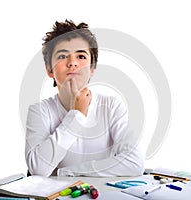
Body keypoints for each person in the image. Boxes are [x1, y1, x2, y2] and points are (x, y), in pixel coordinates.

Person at [25, 19, 145, 177]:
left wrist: (67, 172)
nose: (72, 63)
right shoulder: (39, 111)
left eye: (81, 56)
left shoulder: (111, 106)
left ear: (92, 68)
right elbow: (38, 170)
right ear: (49, 70)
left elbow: (134, 163)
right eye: (62, 56)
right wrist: (77, 115)